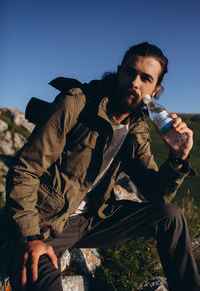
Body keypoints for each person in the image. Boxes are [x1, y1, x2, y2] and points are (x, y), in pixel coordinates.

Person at [5, 42, 200, 291]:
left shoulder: (136, 127)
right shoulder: (75, 104)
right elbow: (25, 170)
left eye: (145, 78)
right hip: (48, 223)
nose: (134, 82)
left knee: (170, 216)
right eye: (130, 72)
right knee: (36, 275)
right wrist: (30, 238)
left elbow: (156, 194)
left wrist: (177, 158)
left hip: (93, 218)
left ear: (156, 89)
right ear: (119, 72)